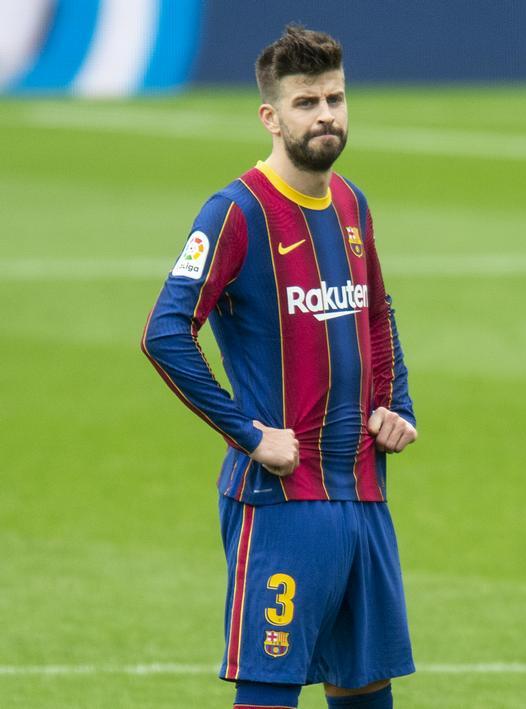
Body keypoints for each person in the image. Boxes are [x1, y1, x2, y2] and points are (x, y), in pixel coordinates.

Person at [142, 25, 417, 709]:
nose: (326, 115)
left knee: (365, 689)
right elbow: (165, 332)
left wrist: (396, 403)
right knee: (269, 692)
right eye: (306, 102)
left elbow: (376, 312)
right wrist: (249, 432)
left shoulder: (352, 203)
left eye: (335, 98)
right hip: (283, 502)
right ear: (271, 116)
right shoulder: (235, 212)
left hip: (363, 493)